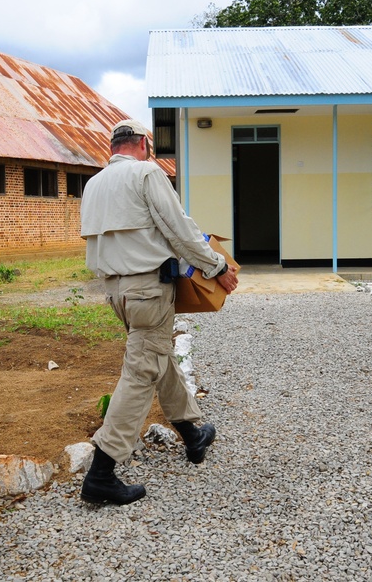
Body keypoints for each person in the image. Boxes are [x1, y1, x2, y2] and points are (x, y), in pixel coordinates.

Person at [78, 119, 239, 505]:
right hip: (148, 289)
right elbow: (179, 229)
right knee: (139, 373)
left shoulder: (93, 184)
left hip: (116, 292)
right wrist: (216, 266)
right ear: (143, 145)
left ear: (113, 146)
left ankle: (192, 433)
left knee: (156, 356)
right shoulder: (147, 172)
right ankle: (102, 471)